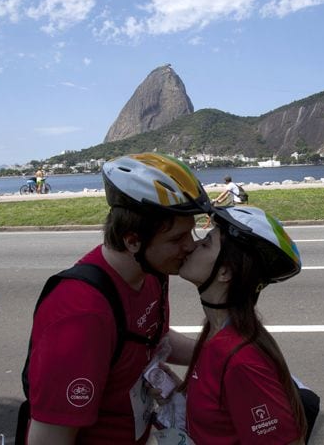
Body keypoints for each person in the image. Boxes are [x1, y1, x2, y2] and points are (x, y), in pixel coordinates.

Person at [21, 153, 212, 444]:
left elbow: (151, 337)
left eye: (191, 232)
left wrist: (220, 355)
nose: (191, 245)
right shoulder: (81, 314)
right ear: (132, 240)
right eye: (176, 239)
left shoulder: (152, 273)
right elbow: (47, 438)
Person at [178, 205, 309, 444]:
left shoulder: (241, 359)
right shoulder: (216, 331)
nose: (192, 246)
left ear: (225, 272)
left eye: (206, 244)